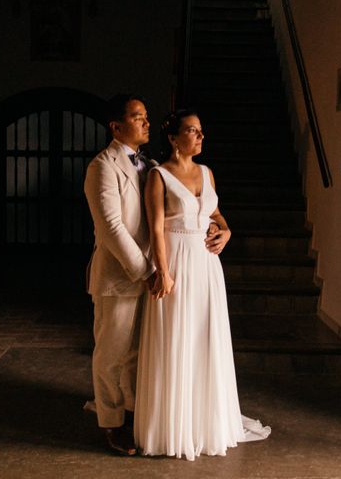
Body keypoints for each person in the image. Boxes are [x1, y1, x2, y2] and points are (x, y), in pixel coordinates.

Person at [134, 109, 271, 461]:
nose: (200, 137)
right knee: (176, 338)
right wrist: (162, 271)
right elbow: (156, 228)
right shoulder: (158, 176)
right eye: (192, 131)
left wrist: (225, 230)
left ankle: (205, 420)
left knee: (205, 339)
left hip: (208, 266)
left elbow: (215, 214)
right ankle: (174, 426)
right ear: (174, 137)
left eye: (201, 131)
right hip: (177, 262)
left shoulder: (207, 173)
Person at [83, 94, 157, 456]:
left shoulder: (152, 164)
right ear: (116, 126)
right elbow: (111, 226)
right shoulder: (102, 166)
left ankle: (131, 413)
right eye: (137, 116)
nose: (146, 122)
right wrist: (144, 271)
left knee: (136, 354)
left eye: (146, 116)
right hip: (119, 276)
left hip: (151, 275)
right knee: (111, 353)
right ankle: (111, 424)